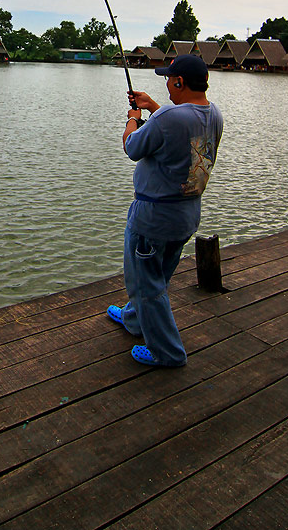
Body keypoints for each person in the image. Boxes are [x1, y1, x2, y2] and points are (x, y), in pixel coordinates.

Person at [107, 54, 223, 367]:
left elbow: (133, 147)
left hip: (153, 218)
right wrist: (153, 106)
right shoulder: (213, 115)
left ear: (180, 82)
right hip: (186, 215)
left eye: (169, 78)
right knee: (157, 277)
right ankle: (134, 319)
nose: (167, 83)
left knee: (146, 284)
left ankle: (168, 352)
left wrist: (134, 117)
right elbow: (180, 131)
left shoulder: (169, 118)